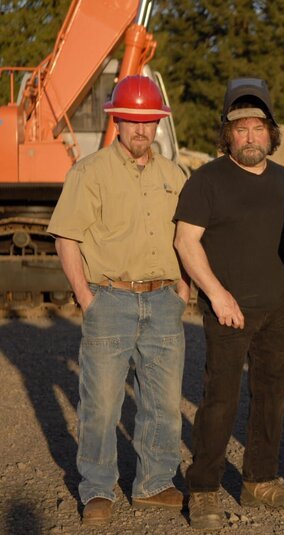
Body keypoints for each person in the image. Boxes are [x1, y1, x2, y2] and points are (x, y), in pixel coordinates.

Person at [47, 75, 189, 526]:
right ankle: (97, 489)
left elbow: (187, 238)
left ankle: (154, 483)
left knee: (163, 402)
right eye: (131, 120)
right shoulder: (89, 172)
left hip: (164, 300)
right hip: (109, 298)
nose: (140, 129)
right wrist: (87, 298)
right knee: (102, 403)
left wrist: (184, 289)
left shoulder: (173, 175)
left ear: (157, 124)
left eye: (148, 121)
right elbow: (66, 238)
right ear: (117, 120)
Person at [173, 78, 284, 530]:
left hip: (276, 310)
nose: (250, 137)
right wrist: (216, 293)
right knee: (219, 402)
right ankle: (205, 488)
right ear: (227, 134)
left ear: (271, 132)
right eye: (240, 128)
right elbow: (186, 241)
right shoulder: (206, 180)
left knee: (271, 398)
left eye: (257, 128)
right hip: (228, 311)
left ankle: (260, 479)